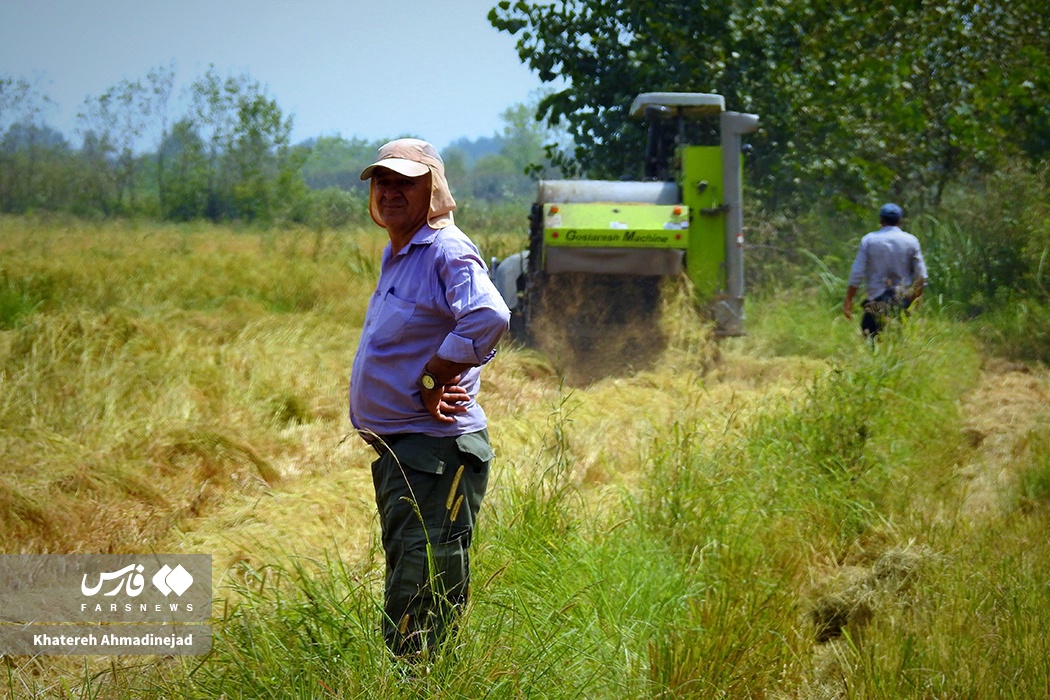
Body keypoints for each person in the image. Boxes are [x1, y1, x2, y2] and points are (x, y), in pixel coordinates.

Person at [349, 138, 510, 660]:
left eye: (405, 183)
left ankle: (422, 684)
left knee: (422, 589)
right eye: (383, 182)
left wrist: (434, 376)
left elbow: (489, 315)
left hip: (437, 454)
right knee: (409, 572)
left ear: (434, 190)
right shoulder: (399, 252)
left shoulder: (444, 248)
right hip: (407, 456)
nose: (391, 192)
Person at [843, 203, 928, 337]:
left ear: (880, 220)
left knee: (870, 341)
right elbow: (921, 276)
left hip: (875, 301)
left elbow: (857, 272)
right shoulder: (911, 241)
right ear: (900, 221)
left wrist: (849, 299)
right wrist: (913, 301)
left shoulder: (869, 240)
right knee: (899, 341)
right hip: (902, 302)